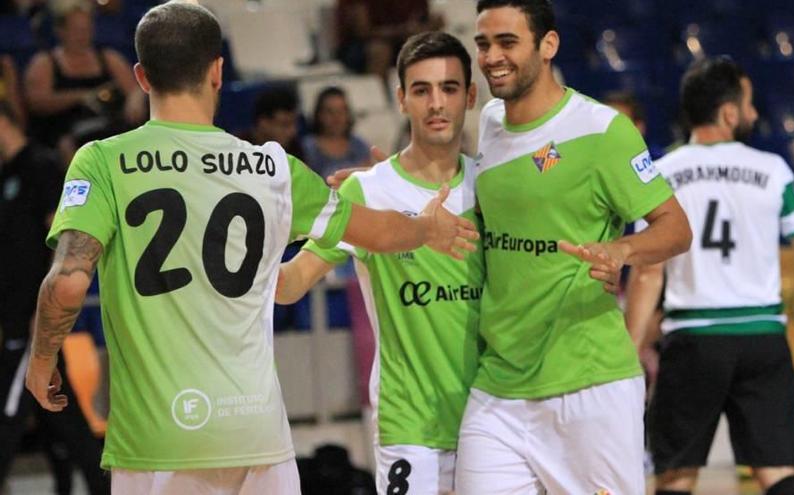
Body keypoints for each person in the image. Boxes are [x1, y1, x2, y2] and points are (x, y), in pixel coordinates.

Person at [23, 3, 477, 494]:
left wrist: (42, 361)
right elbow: (381, 233)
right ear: (218, 72)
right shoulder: (274, 169)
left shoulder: (102, 162)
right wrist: (426, 228)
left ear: (142, 76)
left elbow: (68, 285)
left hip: (159, 438)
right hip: (258, 436)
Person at [452, 1, 692, 494]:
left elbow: (676, 228)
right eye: (483, 43)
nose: (492, 56)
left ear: (549, 45)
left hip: (589, 387)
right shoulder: (491, 121)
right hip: (499, 385)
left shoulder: (603, 131)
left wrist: (622, 251)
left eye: (507, 42)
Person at [277, 31, 480, 495]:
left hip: (492, 420)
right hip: (410, 422)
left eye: (449, 88)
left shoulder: (493, 186)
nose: (436, 103)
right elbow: (292, 284)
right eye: (421, 90)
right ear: (401, 99)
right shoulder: (368, 191)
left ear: (469, 96)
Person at [625, 56, 794, 495]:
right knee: (777, 473)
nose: (756, 114)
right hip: (762, 338)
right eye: (750, 104)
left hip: (694, 339)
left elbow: (648, 273)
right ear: (729, 112)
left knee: (677, 476)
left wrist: (630, 346)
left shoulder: (661, 175)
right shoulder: (772, 170)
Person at [0, 101, 109, 494]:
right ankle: (100, 485)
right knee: (60, 415)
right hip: (13, 314)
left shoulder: (42, 167)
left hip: (34, 315)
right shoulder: (7, 174)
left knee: (9, 411)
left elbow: (62, 242)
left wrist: (45, 310)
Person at [24, 0, 146, 147]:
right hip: (64, 132)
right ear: (60, 30)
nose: (82, 36)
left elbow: (134, 89)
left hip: (108, 127)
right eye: (76, 30)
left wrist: (135, 98)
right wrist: (81, 96)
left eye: (86, 29)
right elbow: (37, 103)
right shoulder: (45, 62)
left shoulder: (109, 57)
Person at [302, 86, 372, 179]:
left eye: (341, 111)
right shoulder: (307, 148)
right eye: (330, 112)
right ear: (319, 114)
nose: (336, 117)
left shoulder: (359, 146)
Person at [238, 85, 304, 158]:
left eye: (294, 123)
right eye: (285, 125)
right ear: (263, 123)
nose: (292, 131)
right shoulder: (237, 148)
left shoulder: (294, 148)